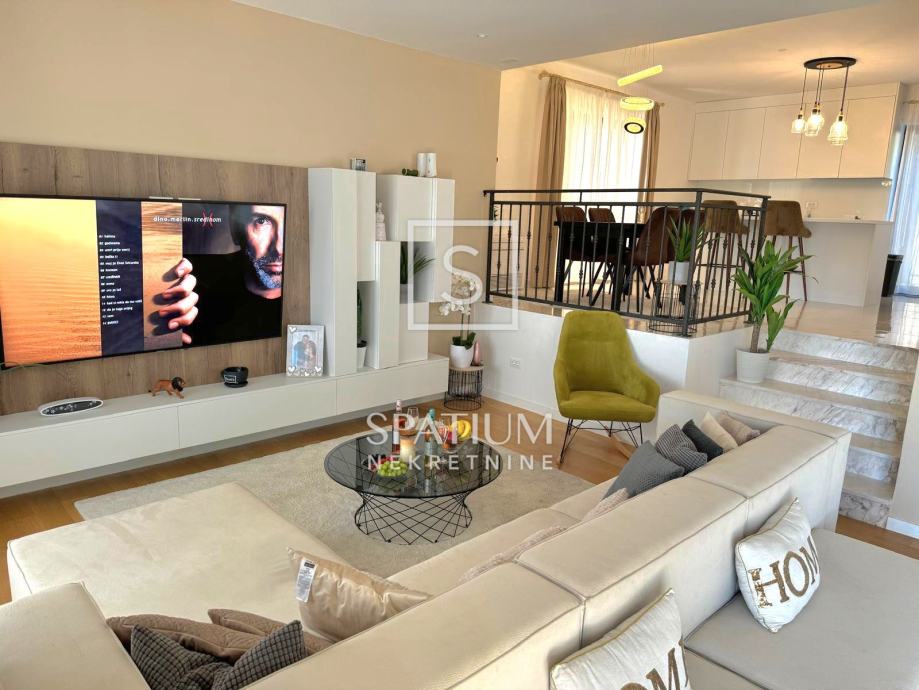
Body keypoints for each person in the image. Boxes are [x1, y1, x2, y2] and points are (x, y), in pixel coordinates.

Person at [158, 204, 285, 346]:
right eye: (261, 221)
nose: (279, 249)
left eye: (289, 224)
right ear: (235, 230)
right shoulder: (189, 276)